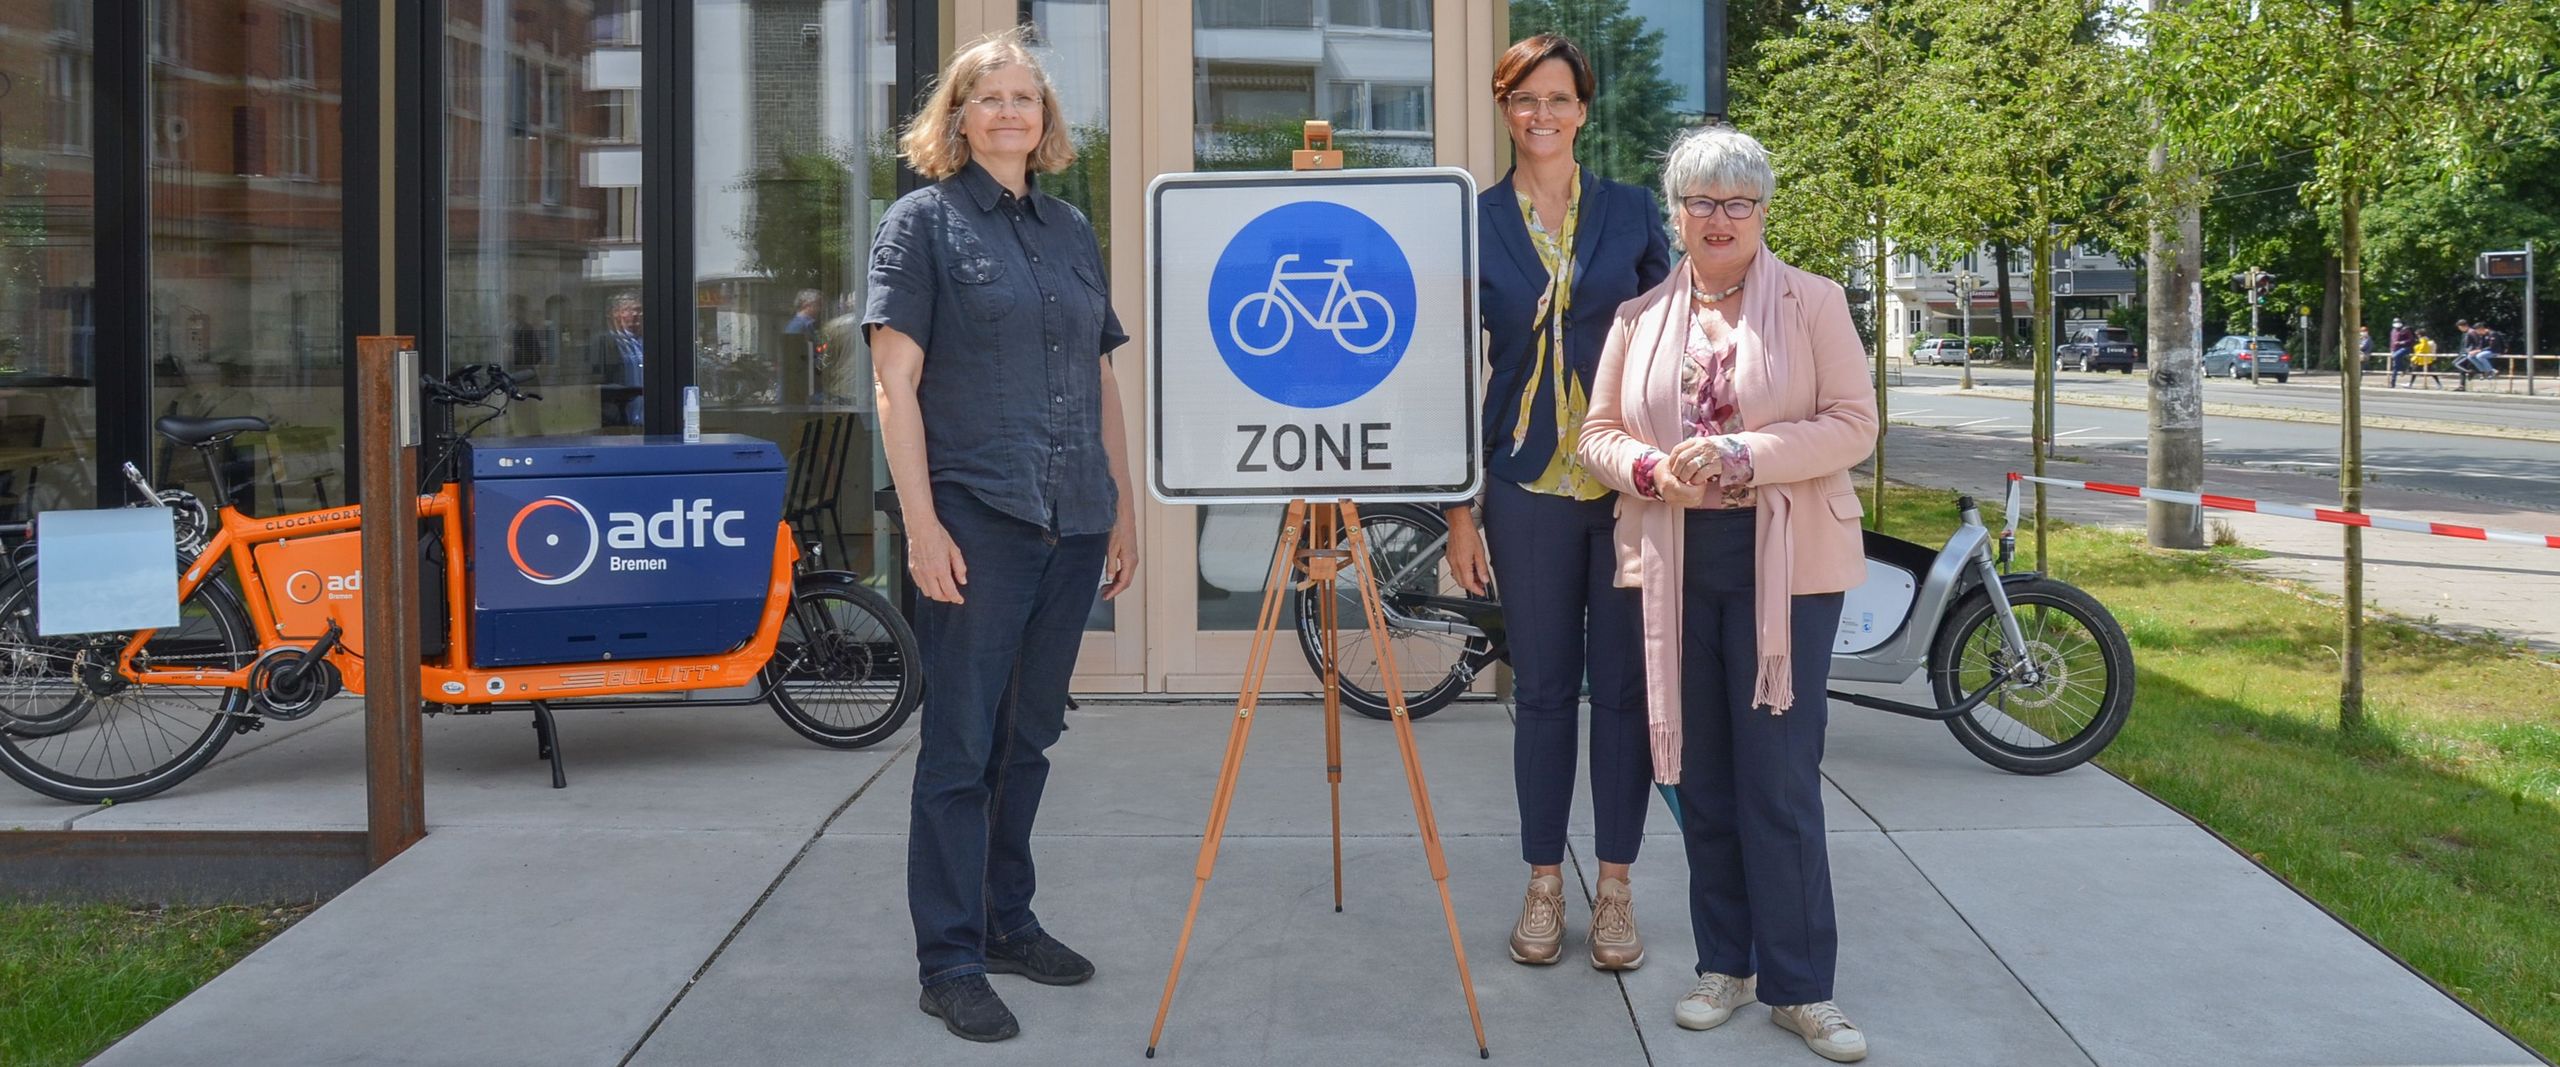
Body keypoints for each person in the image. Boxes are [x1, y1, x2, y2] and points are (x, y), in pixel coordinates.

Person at [1579, 125, 1879, 1063]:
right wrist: (1640, 464)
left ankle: (1802, 988)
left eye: (1738, 201)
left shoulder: (1815, 302)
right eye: (1702, 201)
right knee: (1700, 777)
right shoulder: (1637, 319)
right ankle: (1725, 965)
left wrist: (1751, 452)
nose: (1720, 218)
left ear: (1762, 211)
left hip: (1784, 571)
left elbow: (1853, 425)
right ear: (1675, 213)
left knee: (1779, 779)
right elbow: (1595, 434)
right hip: (1675, 568)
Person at [862, 26, 1137, 1044]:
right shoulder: (921, 224)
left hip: (1072, 518)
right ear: (959, 116)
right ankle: (949, 958)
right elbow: (894, 383)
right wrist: (922, 524)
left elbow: (1101, 371)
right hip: (978, 519)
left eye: (1026, 98)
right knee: (959, 747)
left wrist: (1121, 502)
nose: (1011, 113)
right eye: (990, 98)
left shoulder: (1068, 227)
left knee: (1028, 738)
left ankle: (1006, 917)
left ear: (1045, 120)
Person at [1440, 32, 1672, 974]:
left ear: (1584, 110)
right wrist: (1460, 508)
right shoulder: (1474, 219)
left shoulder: (1629, 212)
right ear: (1506, 110)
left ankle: (1614, 885)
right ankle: (1544, 879)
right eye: (1524, 99)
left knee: (1622, 693)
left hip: (1622, 488)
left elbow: (1672, 341)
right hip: (1523, 485)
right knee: (1540, 695)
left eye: (1560, 99)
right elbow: (1448, 369)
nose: (1543, 114)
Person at [590, 292, 644, 427]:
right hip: (618, 417)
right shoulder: (603, 342)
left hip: (645, 418)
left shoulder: (643, 342)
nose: (635, 314)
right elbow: (596, 381)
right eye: (627, 310)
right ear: (614, 314)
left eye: (638, 309)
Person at [2386, 319, 2414, 388]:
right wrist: (2392, 349)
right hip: (2395, 349)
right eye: (2395, 322)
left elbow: (2410, 339)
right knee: (2395, 366)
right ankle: (2393, 383)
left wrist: (2401, 342)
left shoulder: (2405, 330)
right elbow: (2392, 341)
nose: (2397, 324)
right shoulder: (2393, 330)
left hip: (2405, 348)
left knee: (2395, 356)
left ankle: (2404, 368)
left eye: (2398, 322)